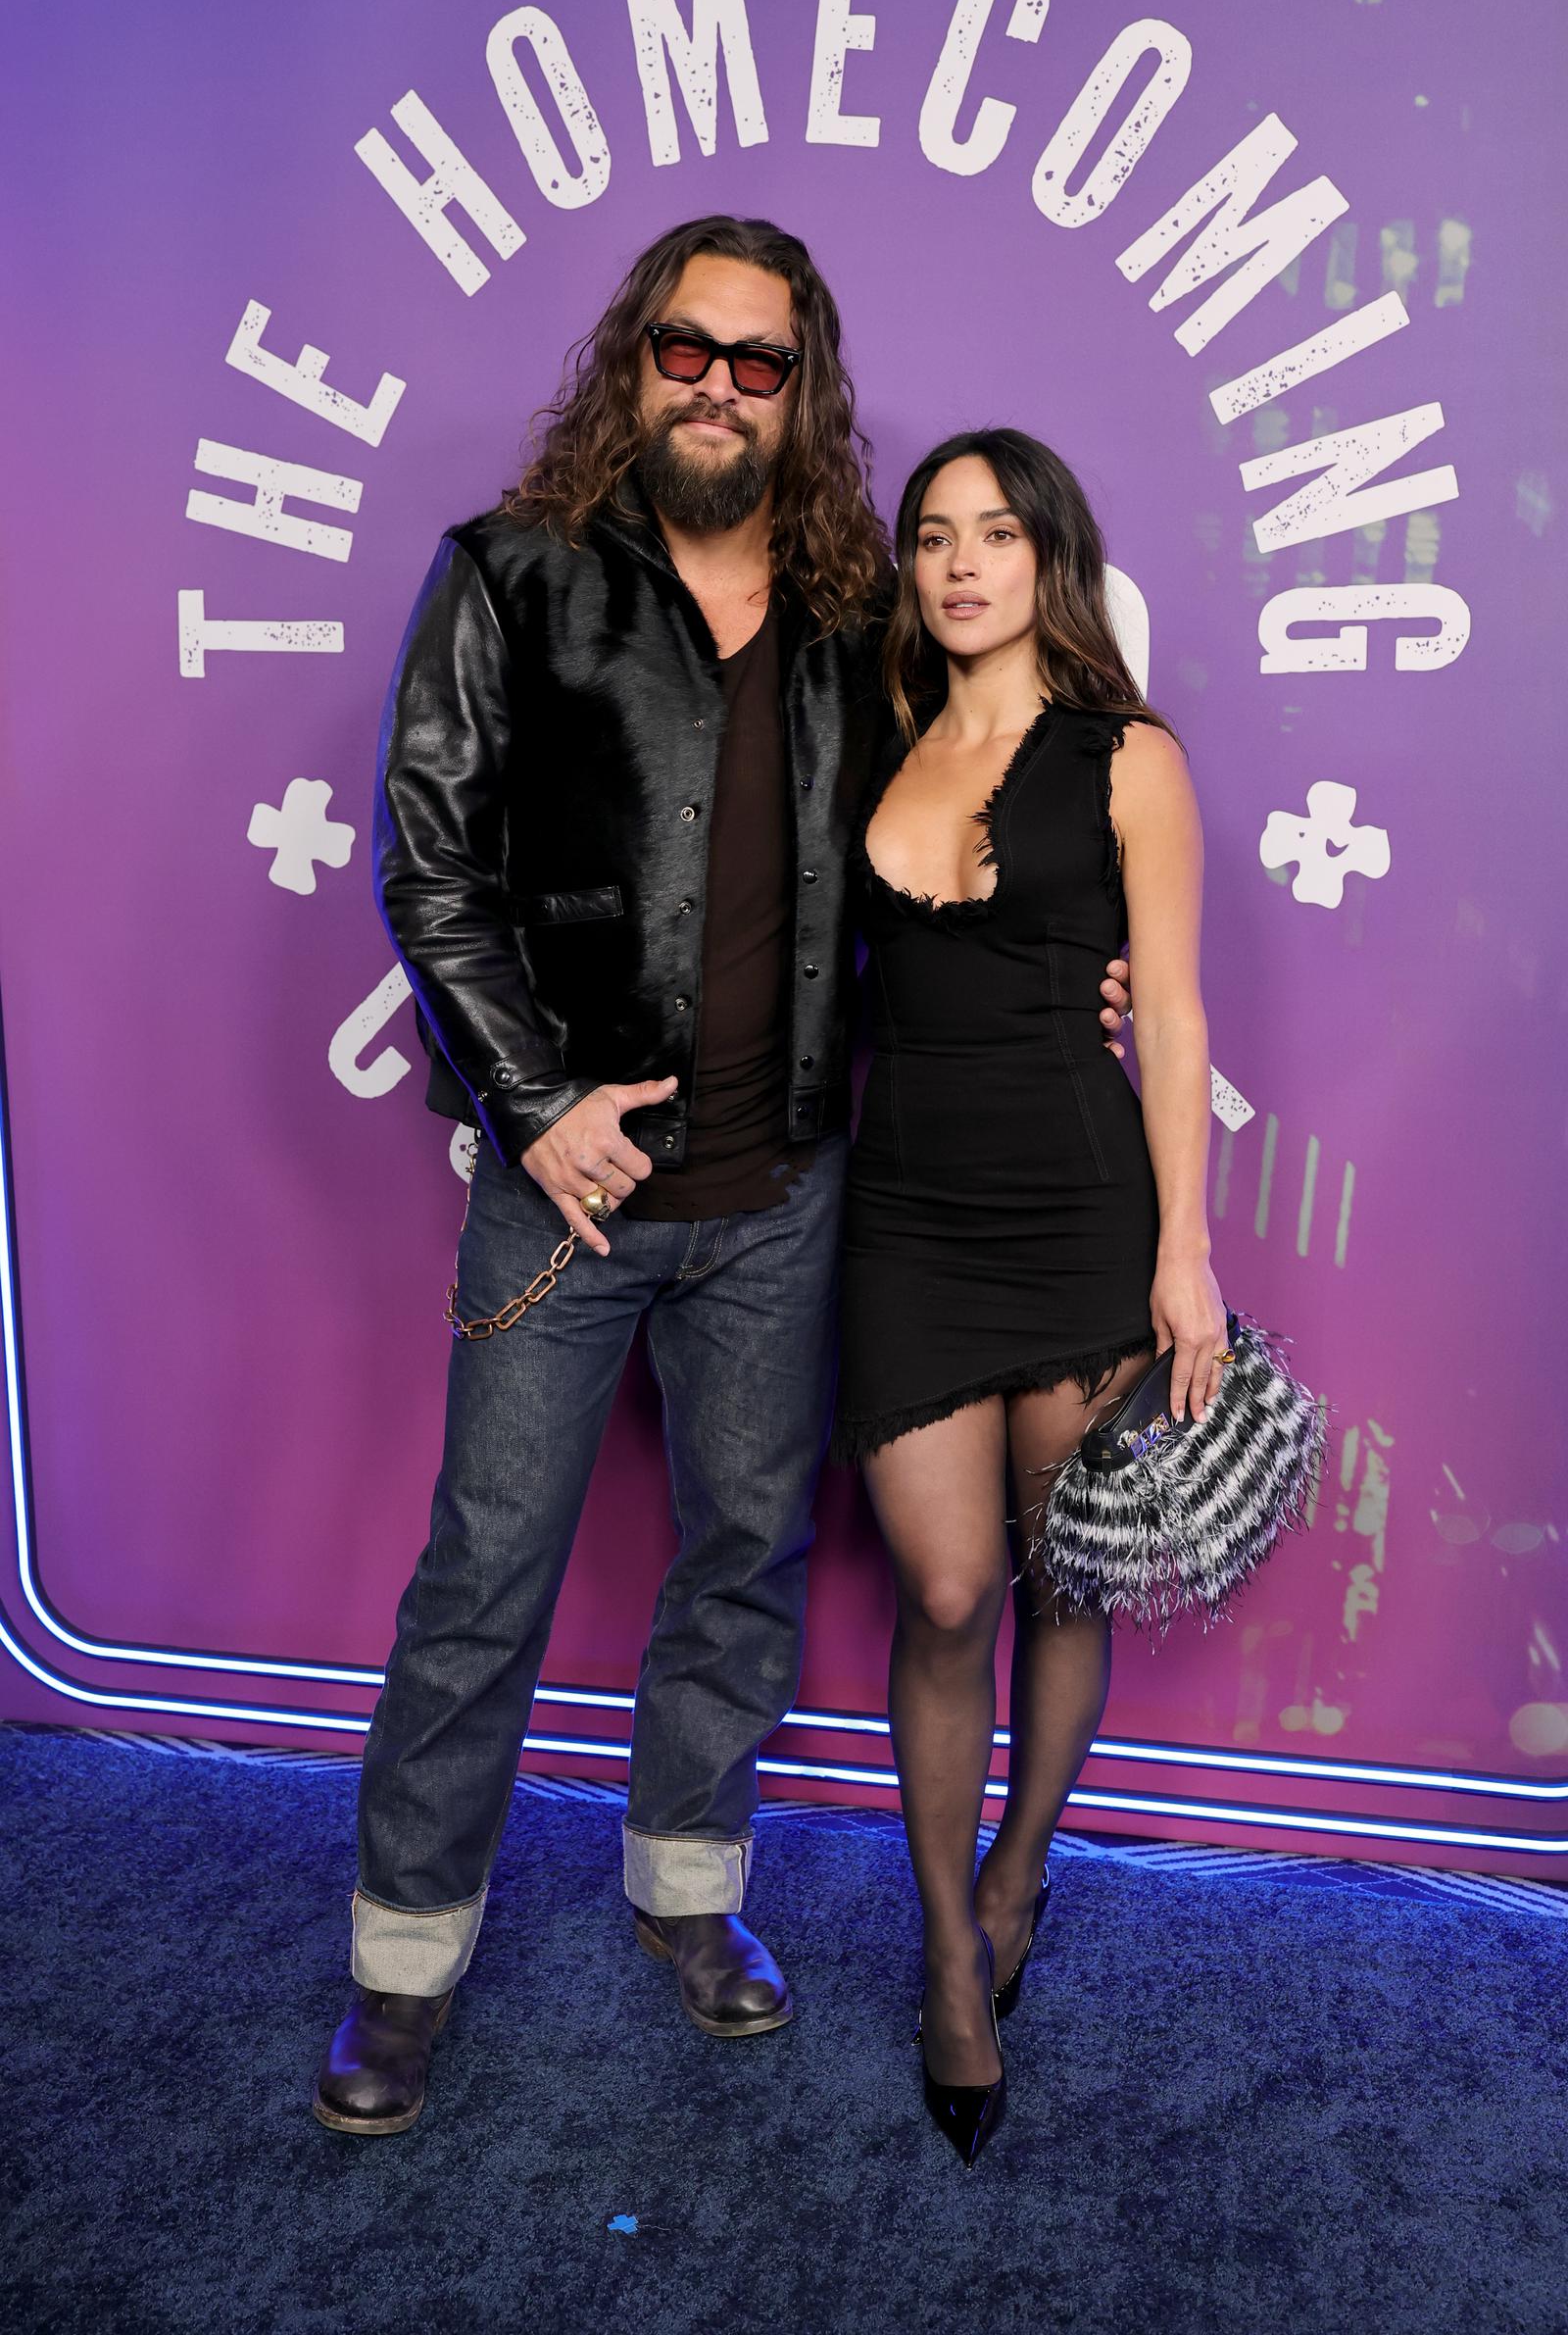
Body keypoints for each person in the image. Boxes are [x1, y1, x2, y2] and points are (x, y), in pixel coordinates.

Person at [312, 217, 1132, 2138]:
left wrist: (1077, 941)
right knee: (481, 1585)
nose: (714, 385)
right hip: (570, 1194)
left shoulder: (859, 614)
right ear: (637, 358)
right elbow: (426, 862)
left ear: (799, 392)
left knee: (738, 1563)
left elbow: (968, 819)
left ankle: (690, 1896)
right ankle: (401, 1969)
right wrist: (530, 1101)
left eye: (757, 363)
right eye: (686, 348)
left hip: (786, 1200)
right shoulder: (510, 577)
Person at [833, 429, 1227, 2165]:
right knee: (944, 1583)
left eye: (996, 533)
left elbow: (1184, 1020)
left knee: (1066, 1581)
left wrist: (1185, 1252)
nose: (961, 563)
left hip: (1083, 1215)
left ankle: (1016, 1873)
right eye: (933, 537)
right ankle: (946, 1953)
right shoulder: (874, 740)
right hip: (907, 1215)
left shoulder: (1132, 758)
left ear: (1051, 556)